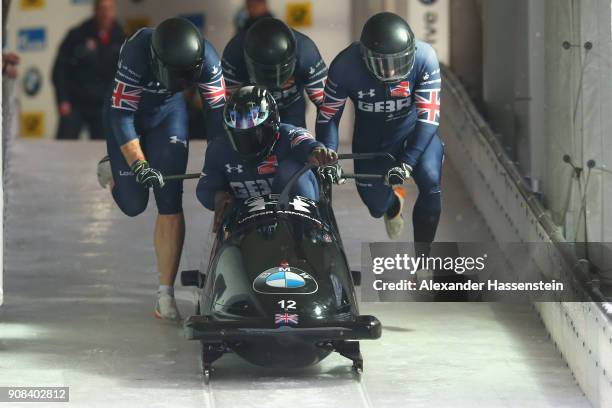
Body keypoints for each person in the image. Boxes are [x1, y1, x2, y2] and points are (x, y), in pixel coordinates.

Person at [97, 17, 226, 321]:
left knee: (169, 199)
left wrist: (222, 168)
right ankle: (114, 165)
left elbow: (218, 121)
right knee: (133, 203)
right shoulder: (137, 52)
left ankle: (164, 295)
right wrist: (139, 165)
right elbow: (121, 117)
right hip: (128, 114)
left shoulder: (208, 59)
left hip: (169, 115)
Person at [315, 12, 443, 246]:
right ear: (365, 57)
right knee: (376, 207)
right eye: (383, 64)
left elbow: (429, 117)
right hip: (370, 142)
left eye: (398, 63)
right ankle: (393, 204)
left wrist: (408, 161)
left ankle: (423, 265)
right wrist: (328, 157)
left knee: (431, 181)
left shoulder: (425, 57)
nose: (391, 72)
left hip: (412, 135)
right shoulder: (344, 65)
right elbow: (329, 117)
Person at [196, 85, 336, 231]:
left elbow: (305, 142)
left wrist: (317, 151)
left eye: (254, 135)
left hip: (295, 224)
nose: (247, 144)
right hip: (247, 226)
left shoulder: (289, 134)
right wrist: (217, 197)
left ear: (272, 126)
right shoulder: (218, 148)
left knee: (291, 170)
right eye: (239, 136)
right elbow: (205, 187)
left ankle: (307, 233)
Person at [222, 17, 327, 128]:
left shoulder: (306, 52)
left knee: (293, 138)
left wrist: (325, 145)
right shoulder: (234, 54)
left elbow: (326, 106)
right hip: (252, 108)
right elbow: (223, 106)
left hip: (290, 107)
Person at [52, 0, 124, 140]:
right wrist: (63, 100)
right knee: (63, 147)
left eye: (109, 9)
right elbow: (60, 69)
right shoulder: (77, 35)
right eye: (102, 9)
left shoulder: (122, 37)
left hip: (103, 104)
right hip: (75, 103)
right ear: (95, 10)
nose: (106, 14)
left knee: (105, 150)